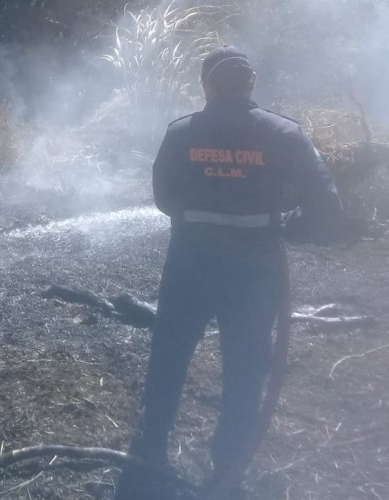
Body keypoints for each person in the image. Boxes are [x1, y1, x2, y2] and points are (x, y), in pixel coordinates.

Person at [114, 46, 341, 500]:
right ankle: (227, 466)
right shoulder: (285, 134)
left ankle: (152, 453)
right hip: (255, 272)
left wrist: (198, 216)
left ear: (207, 85)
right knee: (244, 367)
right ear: (251, 83)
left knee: (169, 357)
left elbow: (163, 197)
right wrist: (290, 226)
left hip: (189, 264)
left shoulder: (181, 134)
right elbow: (328, 208)